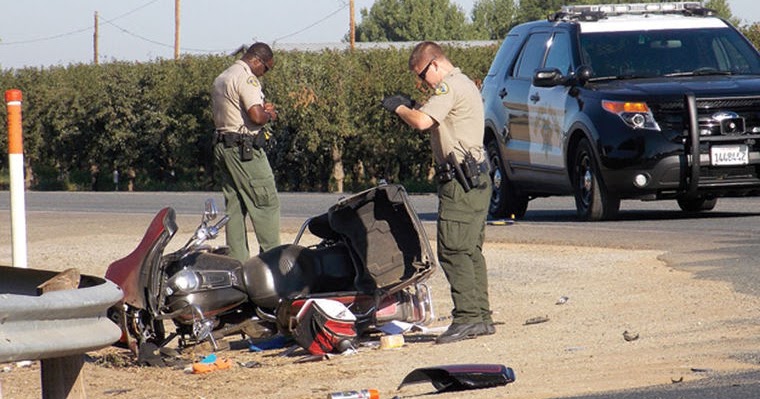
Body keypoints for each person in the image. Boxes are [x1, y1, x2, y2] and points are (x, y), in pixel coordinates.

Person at [382, 41, 494, 344]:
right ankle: (481, 317)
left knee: (453, 250)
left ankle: (468, 318)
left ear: (434, 64)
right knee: (470, 250)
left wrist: (400, 108)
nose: (422, 83)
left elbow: (421, 123)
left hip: (461, 182)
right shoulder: (464, 84)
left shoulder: (448, 87)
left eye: (421, 76)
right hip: (476, 179)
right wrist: (416, 107)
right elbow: (437, 120)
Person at [211, 42, 281, 262]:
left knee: (235, 207)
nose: (264, 74)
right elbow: (256, 116)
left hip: (223, 147)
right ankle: (273, 265)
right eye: (266, 68)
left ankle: (238, 264)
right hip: (245, 150)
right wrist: (270, 114)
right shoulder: (247, 77)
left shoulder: (222, 77)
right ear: (256, 60)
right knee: (265, 203)